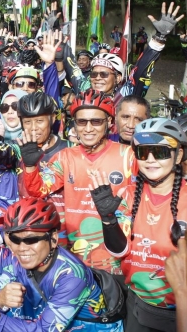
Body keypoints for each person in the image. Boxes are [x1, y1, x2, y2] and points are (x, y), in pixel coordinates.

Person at [100, 118, 187, 332]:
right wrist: (107, 220)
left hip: (184, 314)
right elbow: (120, 252)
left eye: (160, 152)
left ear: (179, 155)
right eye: (143, 152)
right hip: (137, 307)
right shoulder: (126, 195)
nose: (150, 160)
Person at [0, 200, 124, 331]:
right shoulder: (7, 256)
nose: (22, 248)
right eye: (14, 238)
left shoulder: (72, 275)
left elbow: (44, 330)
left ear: (53, 239)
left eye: (31, 240)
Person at [21, 89, 136, 275]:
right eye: (82, 121)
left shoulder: (128, 156)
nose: (88, 128)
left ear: (109, 122)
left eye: (96, 121)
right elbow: (38, 191)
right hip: (77, 257)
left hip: (117, 260)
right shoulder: (65, 157)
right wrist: (31, 166)